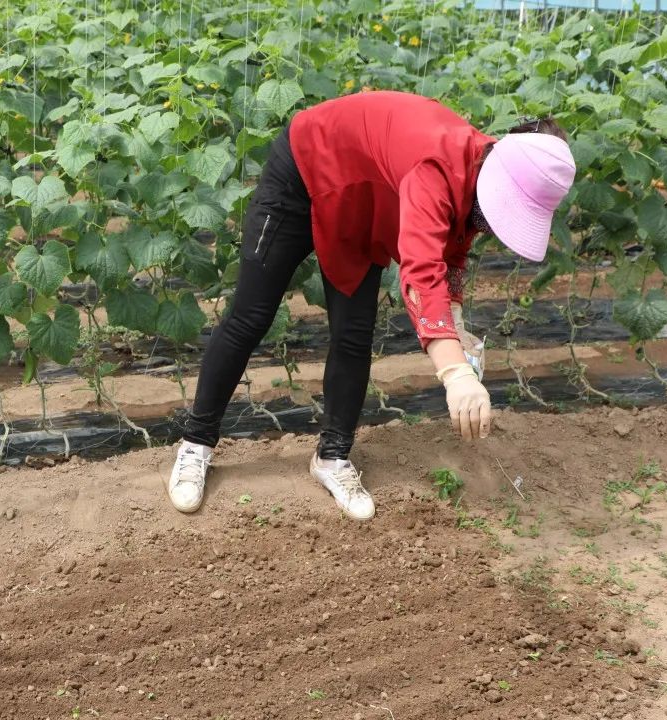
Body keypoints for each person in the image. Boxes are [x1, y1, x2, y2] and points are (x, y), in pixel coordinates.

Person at [167, 91, 576, 520]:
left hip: (364, 201)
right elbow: (420, 271)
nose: (494, 223)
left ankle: (333, 457)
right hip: (305, 171)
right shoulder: (437, 165)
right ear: (497, 178)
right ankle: (196, 444)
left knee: (355, 332)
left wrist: (453, 317)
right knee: (251, 316)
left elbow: (450, 250)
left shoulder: (481, 169)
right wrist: (455, 373)